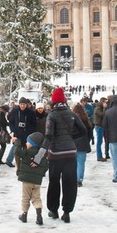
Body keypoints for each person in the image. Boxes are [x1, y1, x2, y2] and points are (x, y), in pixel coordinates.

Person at [34, 88, 79, 223]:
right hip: (70, 154)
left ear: (53, 101)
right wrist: (71, 139)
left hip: (56, 154)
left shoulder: (52, 115)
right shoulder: (72, 114)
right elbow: (85, 130)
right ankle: (67, 212)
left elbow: (48, 136)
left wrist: (39, 155)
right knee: (70, 183)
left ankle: (53, 210)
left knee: (54, 182)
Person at [12, 131, 49, 225]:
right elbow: (46, 166)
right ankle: (39, 215)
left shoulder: (27, 152)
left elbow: (16, 152)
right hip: (37, 181)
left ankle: (24, 215)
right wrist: (40, 173)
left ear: (32, 144)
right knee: (36, 197)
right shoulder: (41, 157)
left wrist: (17, 143)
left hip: (27, 181)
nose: (26, 143)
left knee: (25, 197)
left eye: (28, 142)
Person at [6, 98, 36, 167]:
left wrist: (30, 131)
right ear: (19, 104)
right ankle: (11, 162)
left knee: (26, 150)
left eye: (24, 104)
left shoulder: (30, 112)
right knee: (16, 149)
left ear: (27, 104)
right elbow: (11, 122)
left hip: (27, 135)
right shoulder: (15, 111)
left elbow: (34, 124)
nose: (22, 106)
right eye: (21, 104)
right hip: (17, 134)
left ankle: (25, 164)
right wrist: (13, 130)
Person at [71, 102, 92, 187]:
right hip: (83, 143)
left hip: (73, 143)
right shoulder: (86, 120)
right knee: (81, 162)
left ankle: (74, 178)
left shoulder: (72, 120)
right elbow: (90, 133)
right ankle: (79, 179)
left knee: (73, 162)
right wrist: (87, 140)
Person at [93, 97, 108, 162]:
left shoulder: (99, 108)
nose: (106, 103)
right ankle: (99, 156)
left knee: (100, 142)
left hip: (100, 126)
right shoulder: (98, 108)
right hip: (99, 126)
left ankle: (100, 156)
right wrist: (104, 108)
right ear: (102, 102)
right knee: (99, 142)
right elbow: (102, 115)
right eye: (105, 102)